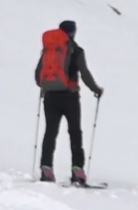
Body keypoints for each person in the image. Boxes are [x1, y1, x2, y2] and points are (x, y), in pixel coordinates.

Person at [35, 20, 103, 185]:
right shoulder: (76, 50)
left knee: (50, 131)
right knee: (75, 132)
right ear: (73, 32)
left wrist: (49, 85)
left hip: (50, 96)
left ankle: (46, 167)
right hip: (70, 96)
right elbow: (84, 73)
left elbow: (38, 76)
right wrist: (96, 89)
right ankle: (77, 169)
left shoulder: (48, 50)